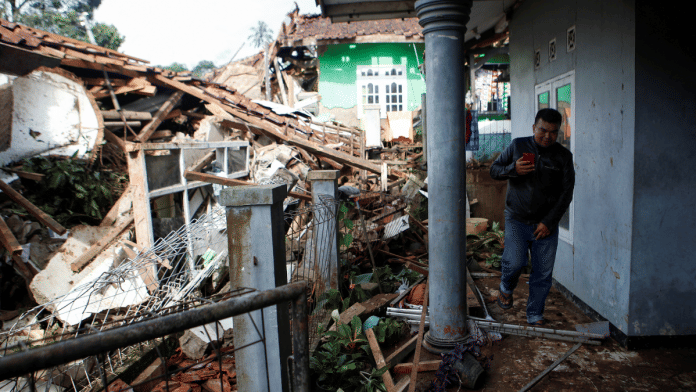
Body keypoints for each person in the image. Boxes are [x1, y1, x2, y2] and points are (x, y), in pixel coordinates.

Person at [489, 108, 575, 326]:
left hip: (545, 224)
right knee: (515, 262)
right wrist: (513, 169)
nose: (547, 136)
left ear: (559, 133)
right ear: (533, 128)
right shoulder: (518, 146)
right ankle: (506, 287)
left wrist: (549, 221)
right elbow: (494, 170)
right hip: (517, 219)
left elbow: (566, 194)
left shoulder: (563, 157)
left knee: (542, 273)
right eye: (542, 130)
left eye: (553, 132)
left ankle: (535, 314)